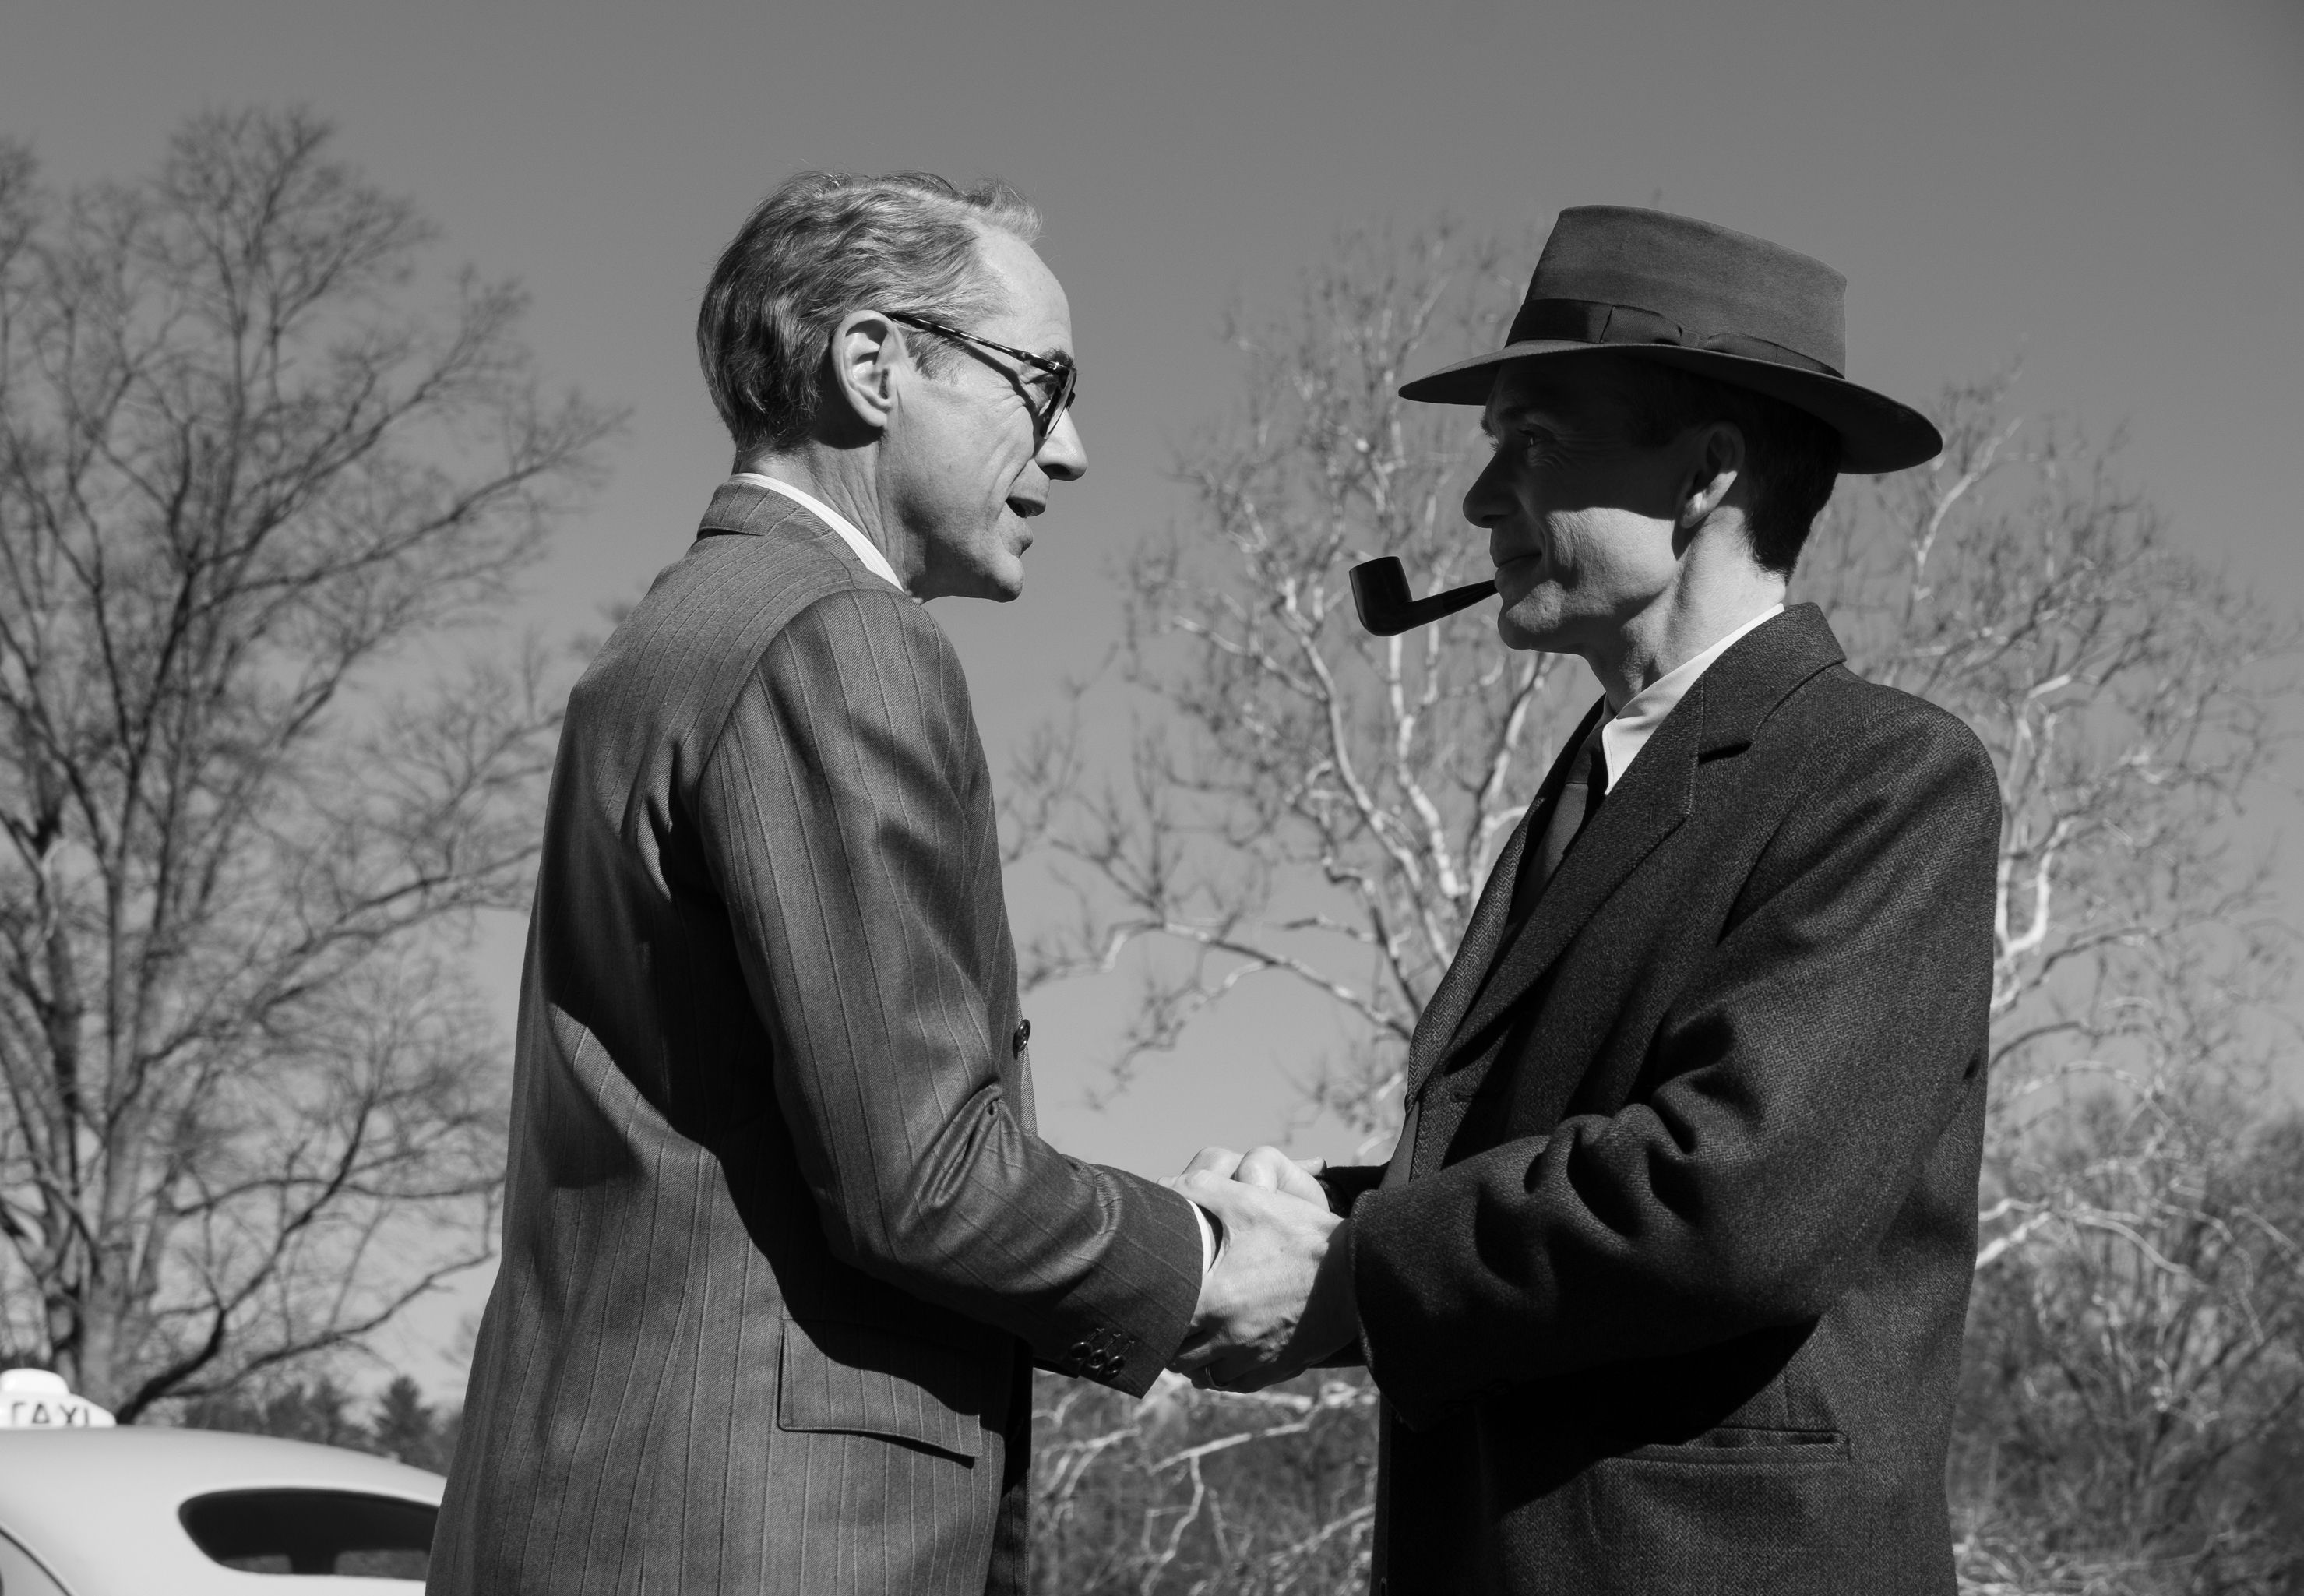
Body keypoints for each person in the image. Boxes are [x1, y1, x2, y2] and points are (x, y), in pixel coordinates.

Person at [431, 171, 1254, 1596]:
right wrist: (1210, 1256)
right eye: (1042, 384)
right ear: (872, 366)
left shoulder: (667, 641)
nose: (1071, 451)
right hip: (759, 1540)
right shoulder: (836, 635)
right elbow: (927, 1178)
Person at [1171, 206, 2001, 1595]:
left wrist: (1347, 1274)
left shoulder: (1887, 775)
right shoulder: (1590, 784)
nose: (1480, 500)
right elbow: (1555, 1165)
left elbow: (1726, 1199)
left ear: (1702, 477)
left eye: (1533, 441)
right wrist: (1292, 1219)